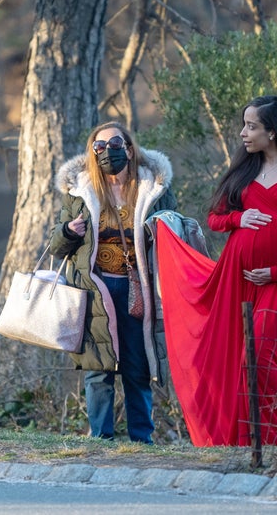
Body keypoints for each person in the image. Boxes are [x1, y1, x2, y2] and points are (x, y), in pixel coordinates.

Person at [155, 95, 277, 449]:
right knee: (236, 361)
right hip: (236, 278)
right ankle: (247, 444)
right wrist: (239, 218)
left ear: (273, 132)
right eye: (244, 125)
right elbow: (215, 219)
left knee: (263, 360)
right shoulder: (244, 169)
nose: (243, 133)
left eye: (252, 126)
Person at [47, 122, 177, 443]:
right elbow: (56, 246)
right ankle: (100, 439)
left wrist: (159, 231)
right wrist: (68, 232)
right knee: (98, 369)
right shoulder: (80, 191)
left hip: (137, 290)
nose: (108, 152)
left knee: (138, 368)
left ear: (129, 149)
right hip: (95, 291)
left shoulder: (152, 188)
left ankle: (141, 439)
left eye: (115, 144)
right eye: (99, 147)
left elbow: (174, 231)